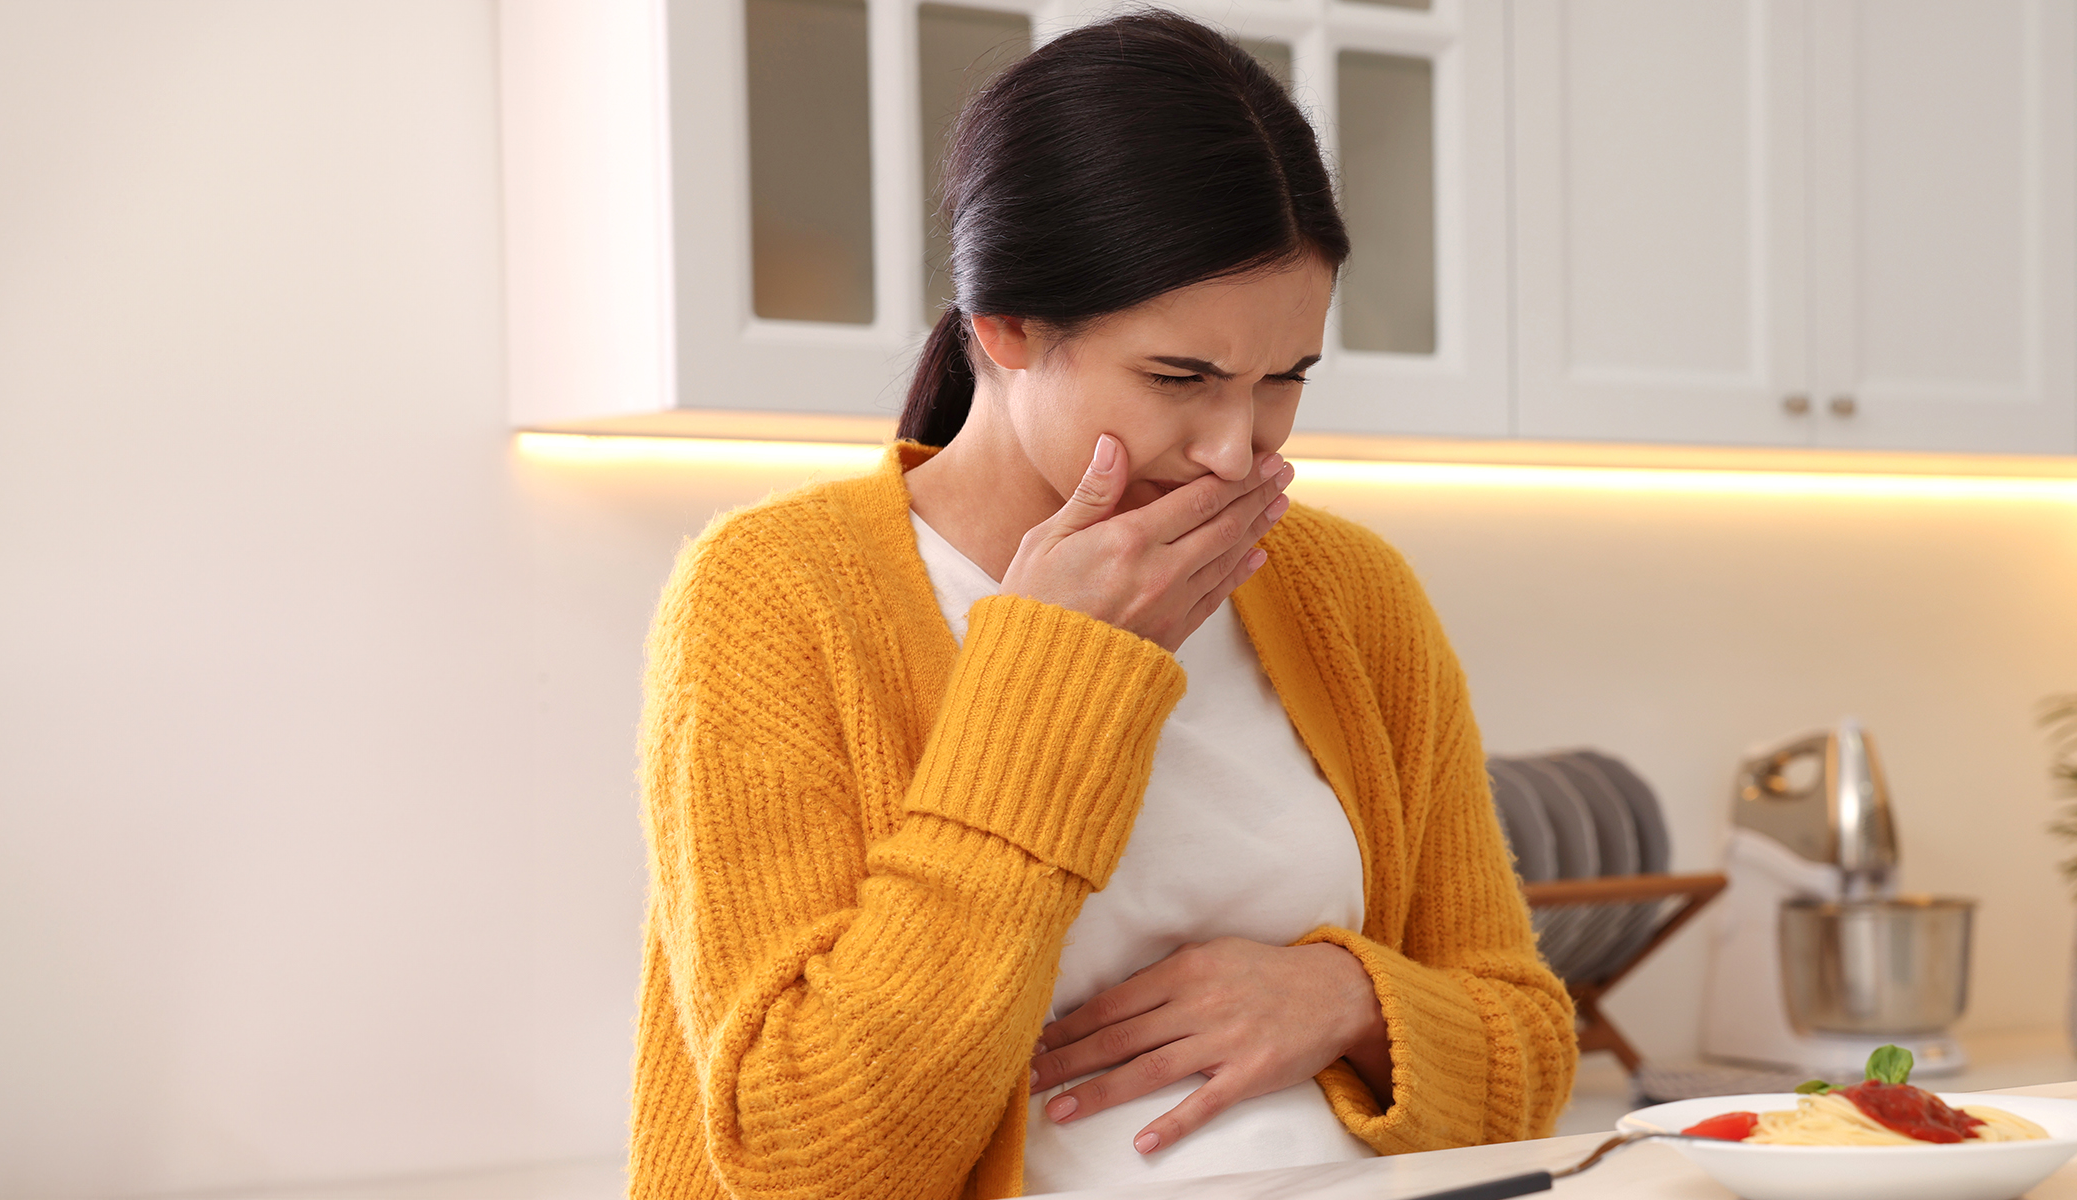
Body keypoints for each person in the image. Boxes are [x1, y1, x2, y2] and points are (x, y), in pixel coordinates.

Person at [627, 11, 1576, 1198]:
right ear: (1007, 328)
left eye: (1286, 379)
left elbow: (1532, 1055)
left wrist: (1348, 1001)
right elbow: (810, 1161)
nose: (1238, 449)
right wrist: (1056, 673)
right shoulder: (775, 598)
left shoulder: (1349, 593)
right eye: (1180, 378)